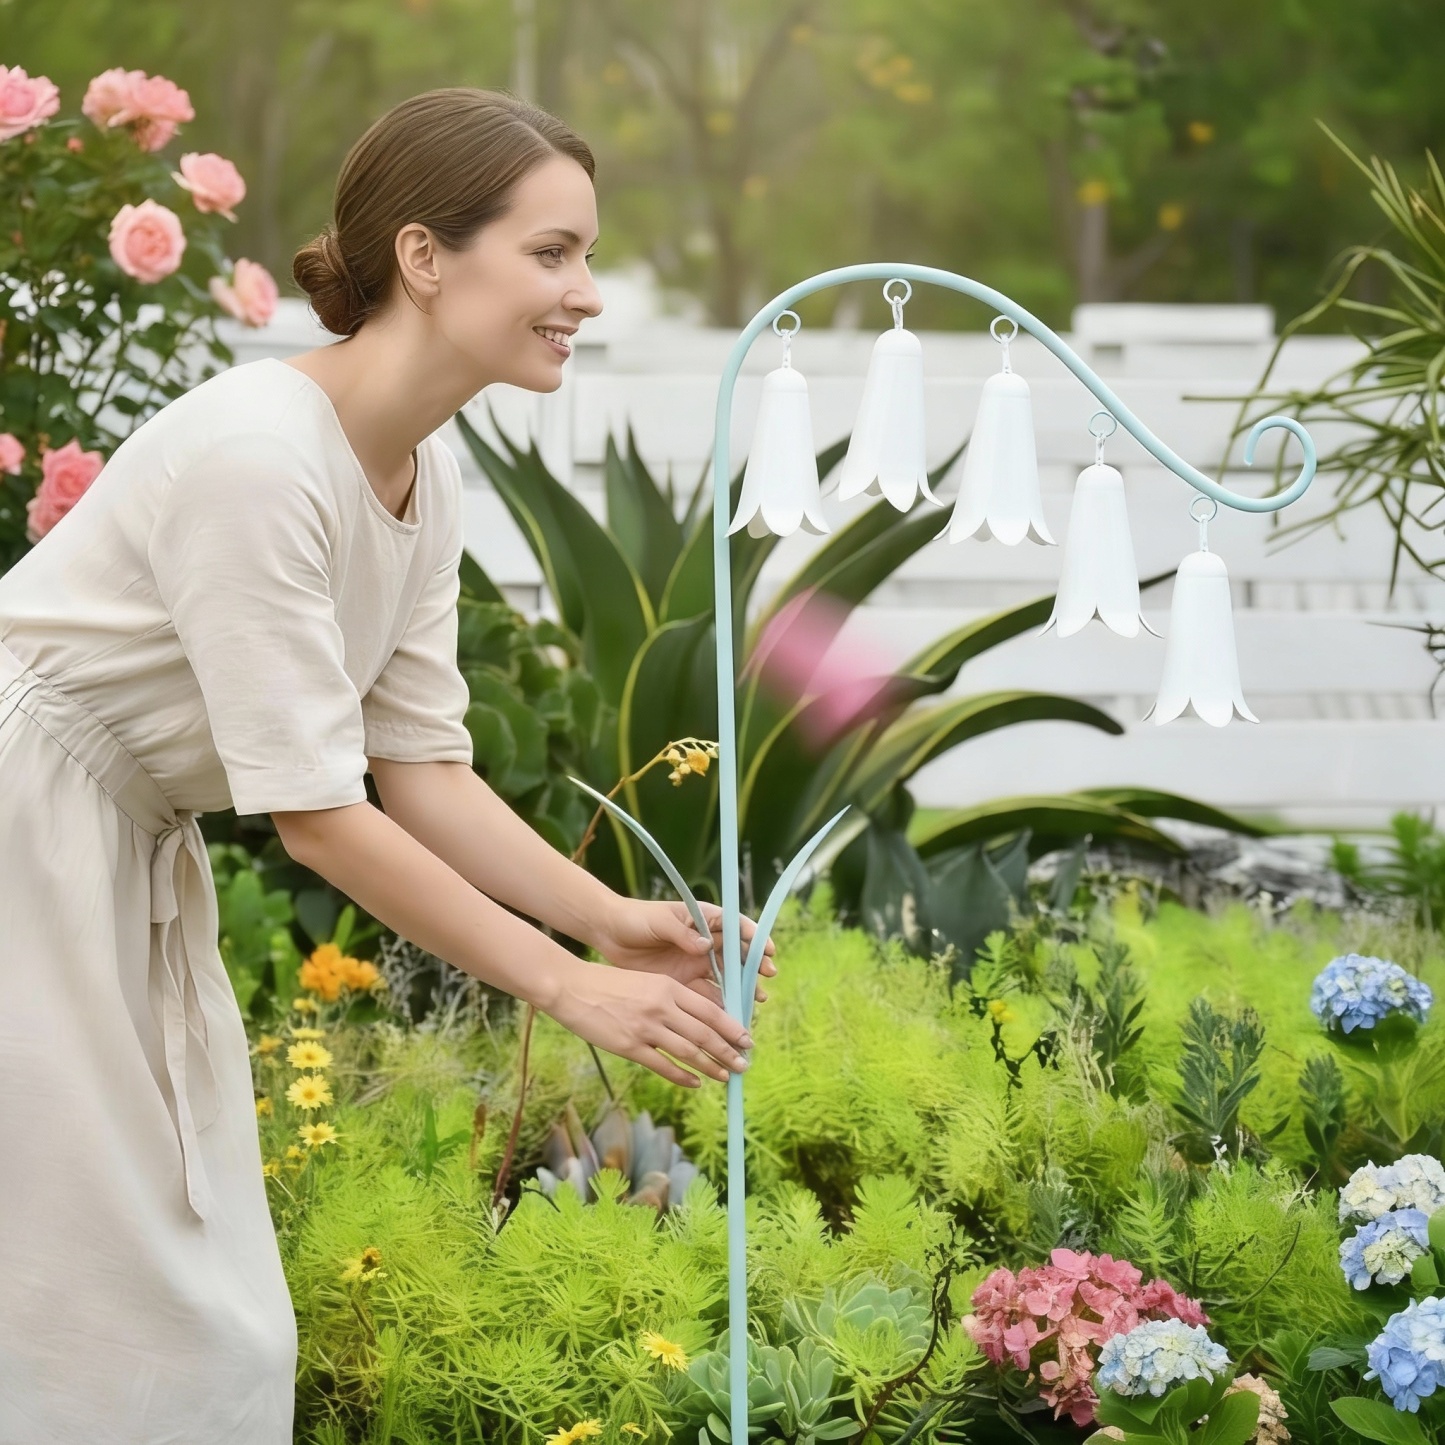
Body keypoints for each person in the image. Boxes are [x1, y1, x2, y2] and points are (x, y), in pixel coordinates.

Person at [0, 87, 770, 1443]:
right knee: (103, 1294)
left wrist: (610, 921)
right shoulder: (258, 457)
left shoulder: (424, 468)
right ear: (424, 256)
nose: (584, 293)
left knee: (180, 1303)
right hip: (27, 821)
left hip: (109, 841)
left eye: (583, 255)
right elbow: (319, 819)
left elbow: (421, 768)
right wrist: (566, 988)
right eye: (551, 253)